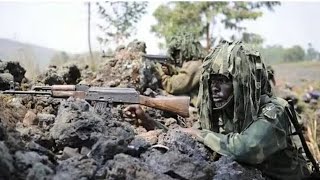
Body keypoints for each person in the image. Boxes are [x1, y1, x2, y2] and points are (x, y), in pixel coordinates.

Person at [124, 41, 311, 179]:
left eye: (222, 80)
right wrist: (148, 120)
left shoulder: (273, 110)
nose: (214, 88)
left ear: (242, 82)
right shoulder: (224, 109)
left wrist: (200, 135)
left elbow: (248, 148)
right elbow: (190, 137)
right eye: (212, 81)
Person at [156, 32, 205, 107]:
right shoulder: (196, 62)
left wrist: (161, 73)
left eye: (177, 52)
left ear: (186, 49)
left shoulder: (194, 65)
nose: (176, 57)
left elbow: (173, 86)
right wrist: (171, 70)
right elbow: (182, 73)